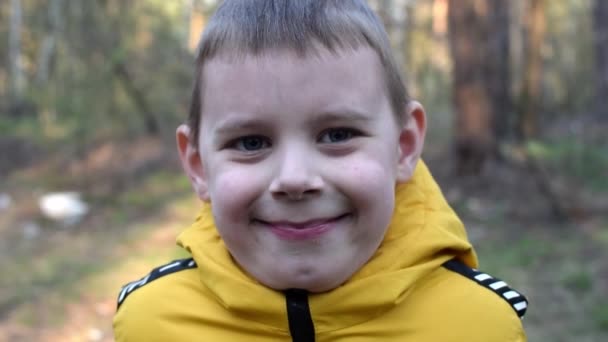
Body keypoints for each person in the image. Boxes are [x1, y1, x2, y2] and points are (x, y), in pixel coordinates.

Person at [113, 1, 528, 341]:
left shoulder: (480, 327)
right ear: (198, 166)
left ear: (403, 146)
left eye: (337, 134)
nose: (295, 179)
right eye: (251, 143)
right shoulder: (150, 326)